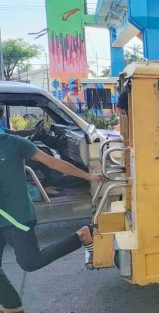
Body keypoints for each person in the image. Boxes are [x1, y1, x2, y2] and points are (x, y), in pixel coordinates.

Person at [0, 133, 102, 313]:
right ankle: (12, 305)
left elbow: (52, 162)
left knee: (30, 262)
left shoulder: (15, 143)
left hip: (17, 218)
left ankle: (81, 235)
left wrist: (88, 176)